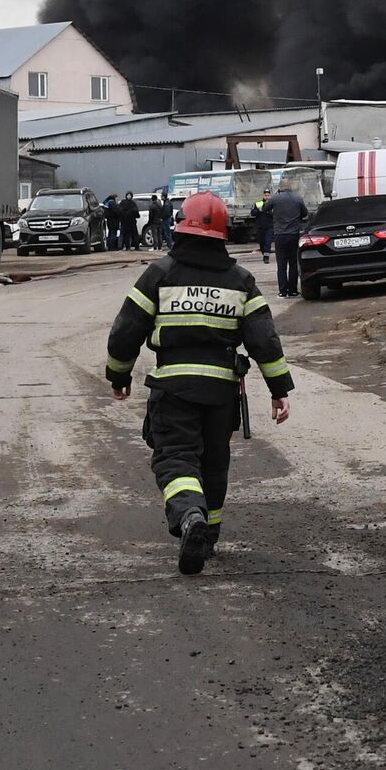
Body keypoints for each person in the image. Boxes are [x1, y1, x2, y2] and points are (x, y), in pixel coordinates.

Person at [106, 191, 293, 574]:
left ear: (180, 229)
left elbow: (126, 330)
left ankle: (190, 517)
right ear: (223, 234)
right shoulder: (241, 281)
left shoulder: (159, 273)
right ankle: (207, 533)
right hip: (221, 392)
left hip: (173, 387)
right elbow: (264, 341)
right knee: (214, 465)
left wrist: (119, 375)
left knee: (175, 458)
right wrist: (279, 390)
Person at [264, 178, 309, 298]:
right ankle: (293, 290)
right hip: (294, 235)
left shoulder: (275, 198)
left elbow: (265, 208)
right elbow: (305, 213)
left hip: (280, 235)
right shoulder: (298, 198)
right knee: (293, 263)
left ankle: (283, 291)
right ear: (290, 187)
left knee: (282, 265)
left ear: (280, 187)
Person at [255, 195, 273, 263]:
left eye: (268, 195)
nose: (267, 196)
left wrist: (269, 211)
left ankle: (266, 257)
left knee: (268, 242)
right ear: (263, 195)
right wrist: (259, 210)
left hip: (269, 227)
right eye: (265, 195)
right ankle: (264, 253)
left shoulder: (272, 204)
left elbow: (275, 214)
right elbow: (253, 213)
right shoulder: (258, 203)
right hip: (260, 227)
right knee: (261, 242)